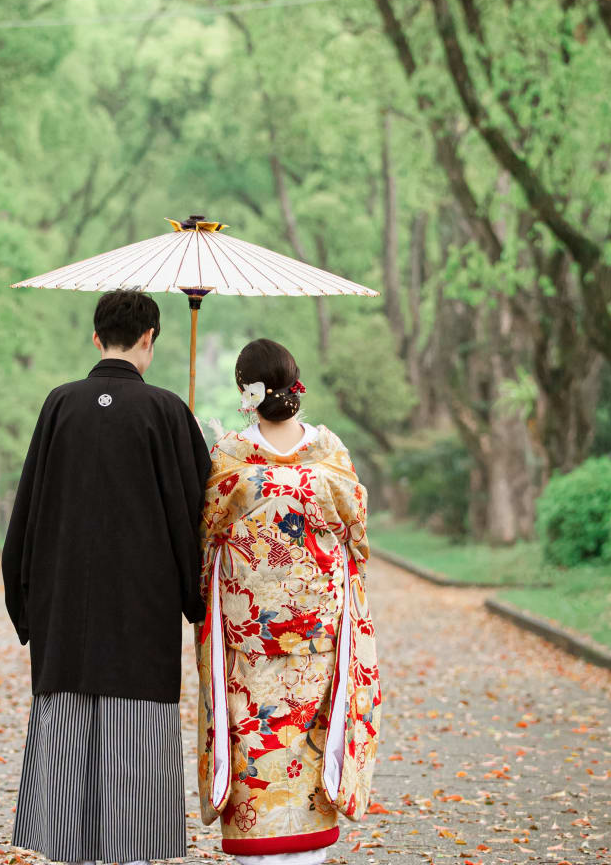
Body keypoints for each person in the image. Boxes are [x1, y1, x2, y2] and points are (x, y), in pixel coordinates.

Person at [2, 288, 211, 865]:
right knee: (137, 739)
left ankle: (70, 852)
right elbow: (195, 513)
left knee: (68, 732)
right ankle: (134, 853)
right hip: (140, 611)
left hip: (63, 605)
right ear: (150, 338)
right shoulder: (169, 410)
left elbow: (28, 510)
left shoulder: (59, 405)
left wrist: (26, 603)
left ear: (97, 338)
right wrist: (198, 601)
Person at [195, 338, 381, 865]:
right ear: (295, 385)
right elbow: (357, 538)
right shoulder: (331, 455)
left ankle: (257, 845)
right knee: (308, 743)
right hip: (316, 640)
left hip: (248, 642)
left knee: (254, 739)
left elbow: (204, 534)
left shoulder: (229, 458)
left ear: (244, 392)